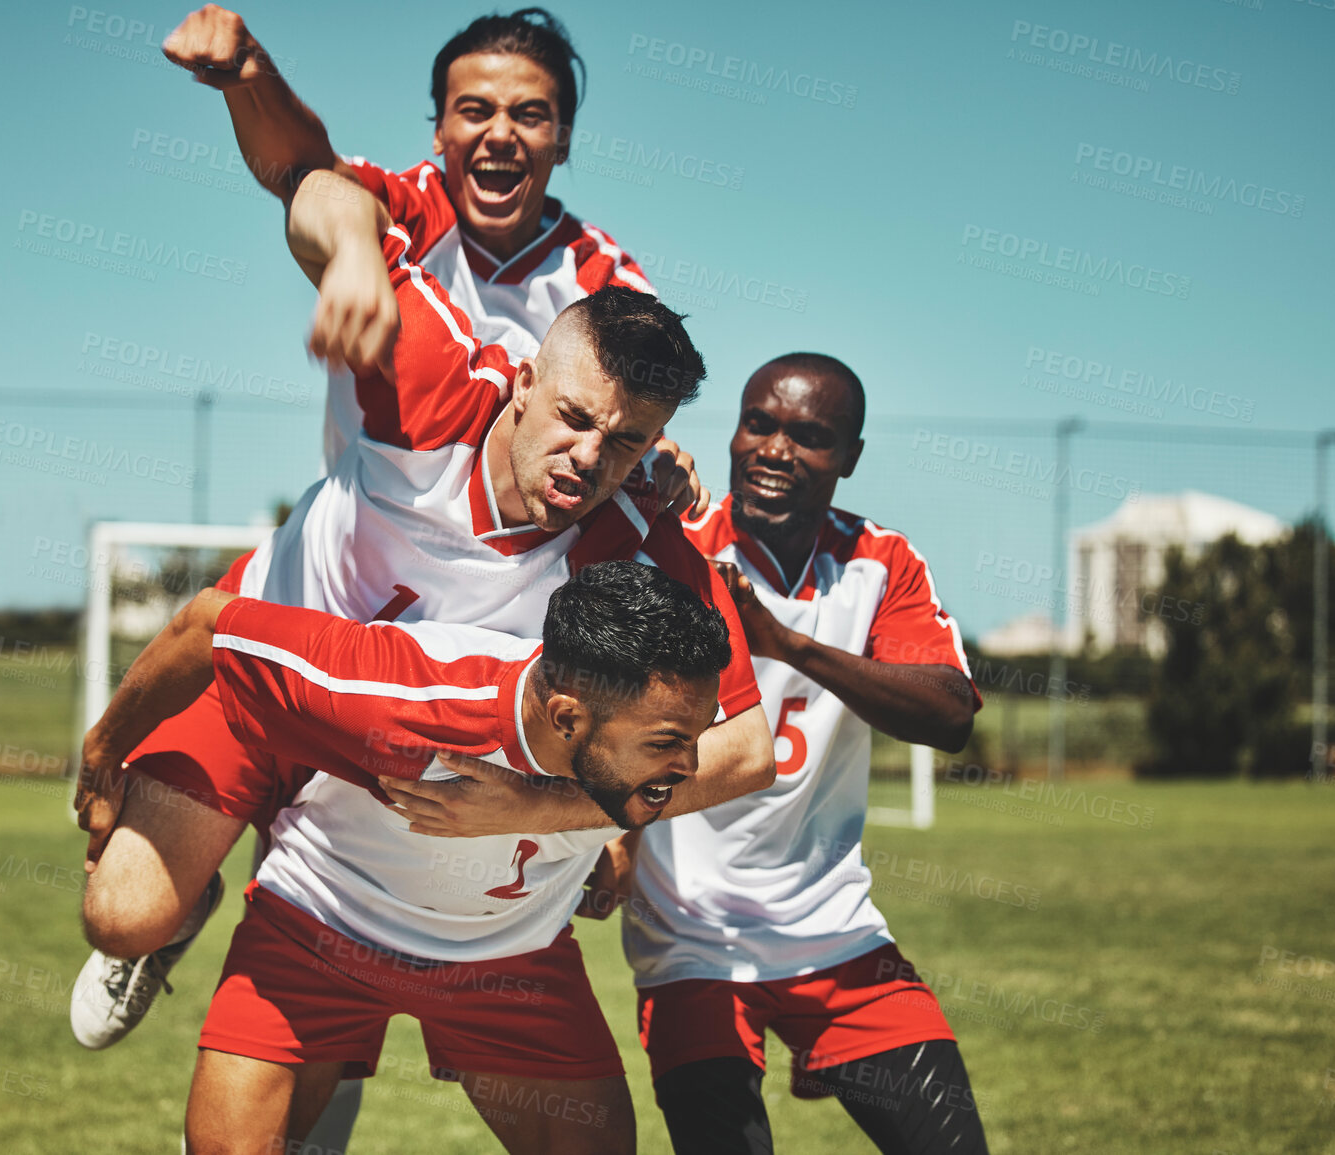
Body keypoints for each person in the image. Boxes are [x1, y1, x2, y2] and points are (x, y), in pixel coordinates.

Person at [71, 170, 772, 1046]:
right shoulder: (432, 378)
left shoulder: (641, 537)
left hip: (400, 752)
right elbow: (316, 192)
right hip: (258, 677)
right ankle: (176, 920)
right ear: (522, 381)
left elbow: (745, 752)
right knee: (122, 914)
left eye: (626, 441)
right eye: (572, 417)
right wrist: (357, 253)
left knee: (357, 985)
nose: (589, 457)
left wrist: (567, 813)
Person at [80, 561, 733, 1154]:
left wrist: (620, 837)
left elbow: (720, 761)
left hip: (512, 955)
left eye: (697, 736)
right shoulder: (405, 688)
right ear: (565, 717)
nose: (691, 767)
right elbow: (204, 626)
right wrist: (101, 756)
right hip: (323, 926)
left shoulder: (641, 725)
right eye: (670, 743)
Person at [609, 353, 992, 1154]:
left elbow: (948, 713)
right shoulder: (667, 552)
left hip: (835, 933)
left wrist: (788, 645)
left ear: (848, 458)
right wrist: (612, 837)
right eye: (759, 423)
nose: (773, 449)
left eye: (808, 436)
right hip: (692, 940)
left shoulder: (879, 562)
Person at [159, 4, 658, 467]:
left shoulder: (604, 277)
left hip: (528, 557)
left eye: (529, 115)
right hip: (362, 547)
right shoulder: (412, 210)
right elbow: (304, 174)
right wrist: (253, 74)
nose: (501, 133)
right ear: (439, 130)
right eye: (475, 110)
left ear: (562, 141)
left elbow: (640, 409)